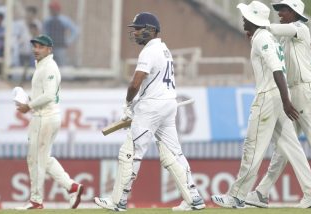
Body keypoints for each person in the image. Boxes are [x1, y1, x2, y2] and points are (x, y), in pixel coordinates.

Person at [211, 1, 311, 209]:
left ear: (254, 20)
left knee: (253, 147)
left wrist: (285, 101)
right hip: (277, 97)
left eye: (246, 17)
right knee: (291, 146)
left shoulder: (262, 38)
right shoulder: (266, 37)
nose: (243, 20)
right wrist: (284, 99)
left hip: (268, 98)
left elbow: (276, 69)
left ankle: (236, 196)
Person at [93, 12, 205, 212]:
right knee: (173, 153)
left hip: (152, 108)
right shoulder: (164, 49)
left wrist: (128, 104)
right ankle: (193, 198)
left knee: (130, 152)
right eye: (134, 29)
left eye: (138, 28)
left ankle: (119, 201)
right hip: (168, 105)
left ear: (151, 30)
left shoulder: (149, 51)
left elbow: (136, 82)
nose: (135, 32)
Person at [245, 0, 311, 208]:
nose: (280, 13)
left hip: (307, 90)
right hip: (294, 94)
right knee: (284, 147)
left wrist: (259, 25)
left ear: (294, 12)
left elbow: (276, 29)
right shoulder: (283, 39)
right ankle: (261, 193)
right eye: (279, 10)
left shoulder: (301, 29)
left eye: (284, 9)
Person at [14, 35, 83, 210]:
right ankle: (72, 187)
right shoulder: (41, 65)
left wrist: (28, 105)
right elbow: (43, 94)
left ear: (49, 50)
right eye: (35, 46)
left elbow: (50, 95)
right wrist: (28, 99)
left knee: (36, 160)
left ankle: (36, 201)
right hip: (44, 116)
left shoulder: (50, 67)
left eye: (40, 47)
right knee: (43, 158)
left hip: (45, 117)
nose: (35, 49)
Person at [43, 0, 79, 66]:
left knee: (61, 65)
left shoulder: (64, 20)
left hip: (60, 47)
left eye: (53, 9)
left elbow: (75, 31)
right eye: (51, 9)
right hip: (49, 47)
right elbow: (45, 32)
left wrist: (68, 41)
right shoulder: (47, 20)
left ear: (57, 10)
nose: (52, 11)